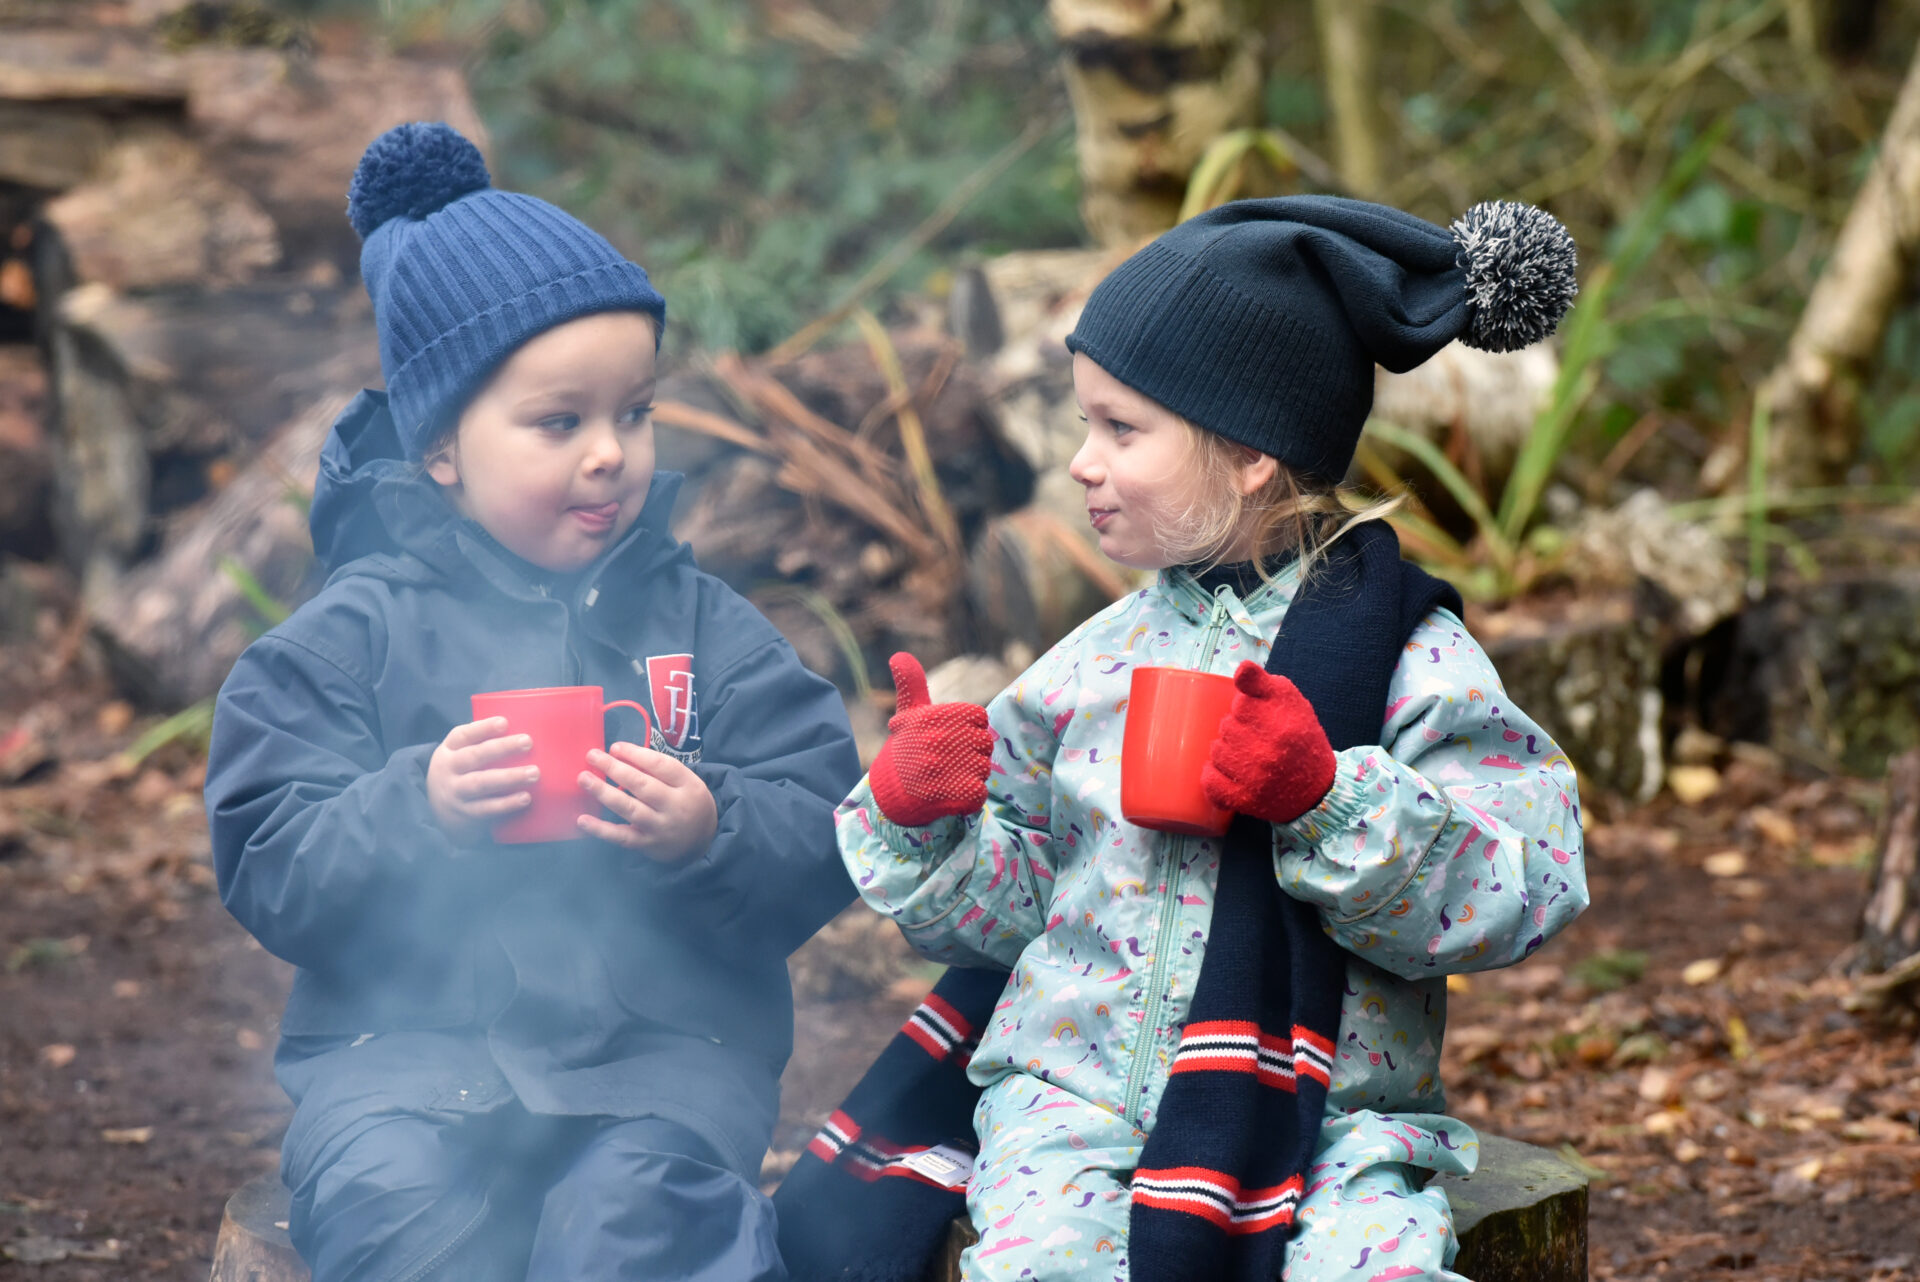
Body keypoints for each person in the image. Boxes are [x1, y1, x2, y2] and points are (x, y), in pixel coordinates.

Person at [825, 196, 1590, 1282]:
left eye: (1120, 428)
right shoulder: (1094, 660)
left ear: (1251, 456)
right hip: (1074, 1108)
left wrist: (1327, 799)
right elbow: (1021, 913)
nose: (1082, 462)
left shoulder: (1410, 658)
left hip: (1329, 1122)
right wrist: (928, 820)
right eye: (1084, 424)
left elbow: (1531, 882)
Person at [204, 121, 860, 1282]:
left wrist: (713, 826)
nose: (610, 453)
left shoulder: (702, 624)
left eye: (635, 411)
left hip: (661, 1063)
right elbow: (268, 854)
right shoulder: (354, 632)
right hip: (399, 1060)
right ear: (444, 448)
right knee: (391, 1205)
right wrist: (423, 808)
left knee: (642, 1224)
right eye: (561, 422)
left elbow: (830, 813)